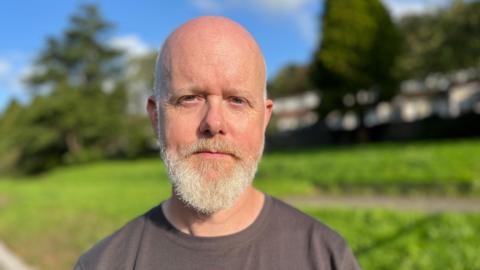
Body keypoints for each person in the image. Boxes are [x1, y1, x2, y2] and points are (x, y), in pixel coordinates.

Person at [74, 16, 361, 270]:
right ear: (156, 117)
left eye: (237, 100)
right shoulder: (102, 264)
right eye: (189, 99)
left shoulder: (327, 257)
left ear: (264, 119)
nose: (214, 123)